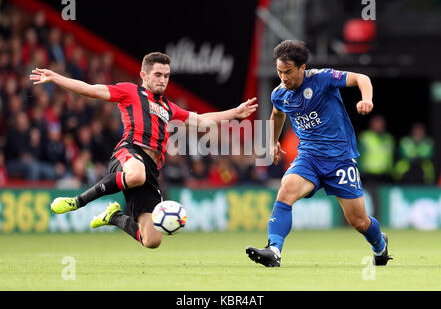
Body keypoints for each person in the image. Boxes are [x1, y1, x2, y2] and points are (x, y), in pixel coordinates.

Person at [30, 52, 257, 249]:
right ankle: (78, 201)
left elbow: (203, 120)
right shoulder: (130, 92)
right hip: (129, 153)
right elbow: (91, 90)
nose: (163, 80)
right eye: (158, 75)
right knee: (136, 174)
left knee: (152, 240)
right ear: (144, 75)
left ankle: (114, 216)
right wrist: (56, 78)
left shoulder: (169, 107)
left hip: (151, 171)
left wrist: (234, 113)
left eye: (166, 76)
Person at [245, 40, 392, 267]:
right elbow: (277, 114)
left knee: (358, 221)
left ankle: (380, 246)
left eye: (288, 72)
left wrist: (366, 99)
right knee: (286, 191)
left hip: (340, 160)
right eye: (279, 72)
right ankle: (273, 250)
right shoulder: (280, 93)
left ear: (302, 67)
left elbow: (362, 79)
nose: (283, 78)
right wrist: (273, 142)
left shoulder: (323, 78)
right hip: (309, 158)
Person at [357, 114, 395, 184]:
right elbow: (359, 156)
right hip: (368, 175)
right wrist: (360, 172)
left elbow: (391, 157)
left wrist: (391, 172)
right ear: (371, 124)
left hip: (385, 175)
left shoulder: (388, 138)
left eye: (381, 123)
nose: (379, 125)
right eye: (377, 122)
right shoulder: (365, 137)